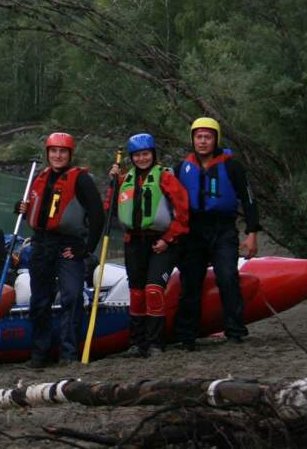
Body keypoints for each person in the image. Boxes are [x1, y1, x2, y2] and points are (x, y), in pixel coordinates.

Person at [18, 133, 105, 368]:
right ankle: (39, 354)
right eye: (53, 151)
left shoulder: (81, 180)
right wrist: (22, 209)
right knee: (40, 300)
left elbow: (98, 216)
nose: (57, 156)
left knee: (73, 296)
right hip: (42, 244)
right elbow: (35, 213)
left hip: (68, 246)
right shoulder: (41, 177)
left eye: (62, 152)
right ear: (48, 154)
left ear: (69, 155)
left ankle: (68, 354)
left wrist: (86, 249)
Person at [173, 118, 260, 349]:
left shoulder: (232, 166)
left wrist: (252, 233)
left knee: (227, 276)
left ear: (216, 139)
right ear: (193, 139)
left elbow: (249, 201)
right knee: (190, 282)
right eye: (198, 137)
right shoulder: (181, 167)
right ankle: (186, 336)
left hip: (223, 229)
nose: (202, 141)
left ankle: (234, 331)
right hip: (192, 231)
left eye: (207, 137)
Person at [107, 133, 189, 357]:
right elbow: (110, 208)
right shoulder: (124, 179)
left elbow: (182, 213)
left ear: (153, 155)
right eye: (137, 155)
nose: (142, 159)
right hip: (134, 242)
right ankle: (136, 342)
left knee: (153, 289)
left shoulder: (165, 177)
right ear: (131, 158)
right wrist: (112, 183)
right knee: (137, 292)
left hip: (161, 241)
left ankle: (155, 342)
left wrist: (168, 238)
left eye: (146, 154)